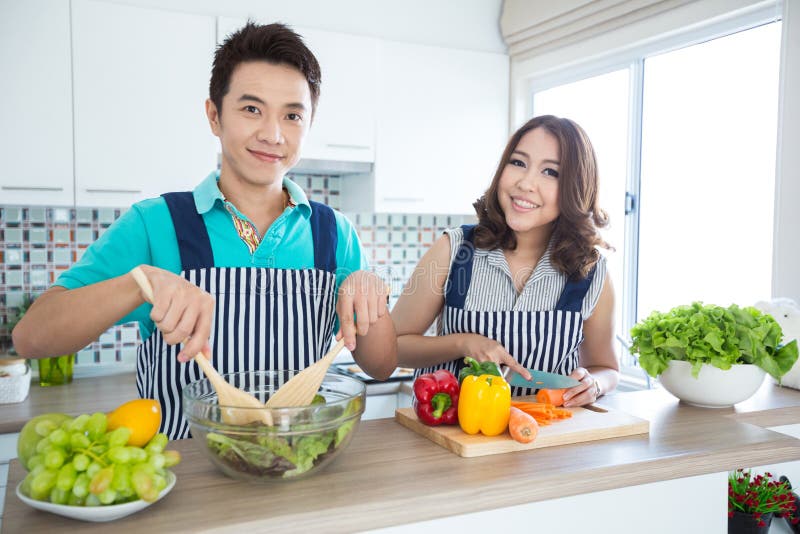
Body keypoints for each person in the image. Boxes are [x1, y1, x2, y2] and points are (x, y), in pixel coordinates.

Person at [12, 22, 397, 438]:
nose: (272, 133)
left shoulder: (334, 233)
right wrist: (140, 283)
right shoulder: (155, 223)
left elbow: (382, 364)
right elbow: (32, 337)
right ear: (214, 115)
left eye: (292, 115)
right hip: (186, 481)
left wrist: (367, 287)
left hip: (299, 470)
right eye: (252, 109)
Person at [391, 115, 619, 406]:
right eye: (518, 163)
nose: (525, 183)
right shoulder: (454, 250)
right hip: (450, 439)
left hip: (545, 440)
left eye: (551, 172)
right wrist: (462, 343)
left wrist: (594, 384)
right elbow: (393, 348)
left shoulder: (591, 271)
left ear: (576, 188)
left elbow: (607, 369)